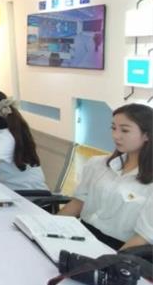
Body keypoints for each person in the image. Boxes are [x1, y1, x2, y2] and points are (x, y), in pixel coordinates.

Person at [59, 103, 152, 251]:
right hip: (79, 234)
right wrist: (47, 227)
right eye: (113, 128)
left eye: (125, 130)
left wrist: (110, 262)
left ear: (147, 135)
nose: (116, 135)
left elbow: (143, 237)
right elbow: (78, 203)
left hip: (118, 249)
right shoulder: (97, 164)